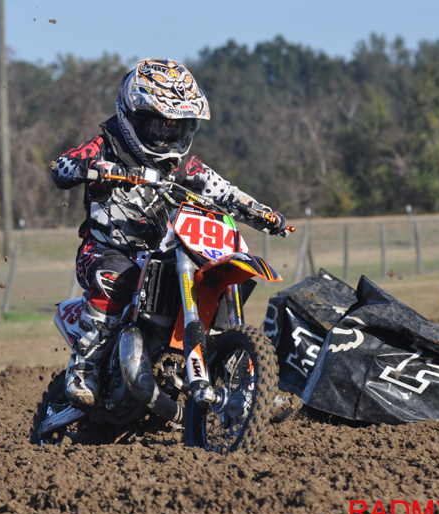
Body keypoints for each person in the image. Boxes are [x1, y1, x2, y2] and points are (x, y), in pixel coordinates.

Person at [50, 58, 288, 406]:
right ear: (133, 116)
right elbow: (61, 167)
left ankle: (246, 382)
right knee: (117, 276)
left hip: (159, 251)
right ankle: (83, 369)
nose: (170, 137)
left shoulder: (182, 165)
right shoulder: (106, 145)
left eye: (179, 128)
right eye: (161, 127)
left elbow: (223, 190)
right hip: (104, 250)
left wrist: (262, 213)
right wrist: (93, 167)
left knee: (214, 276)